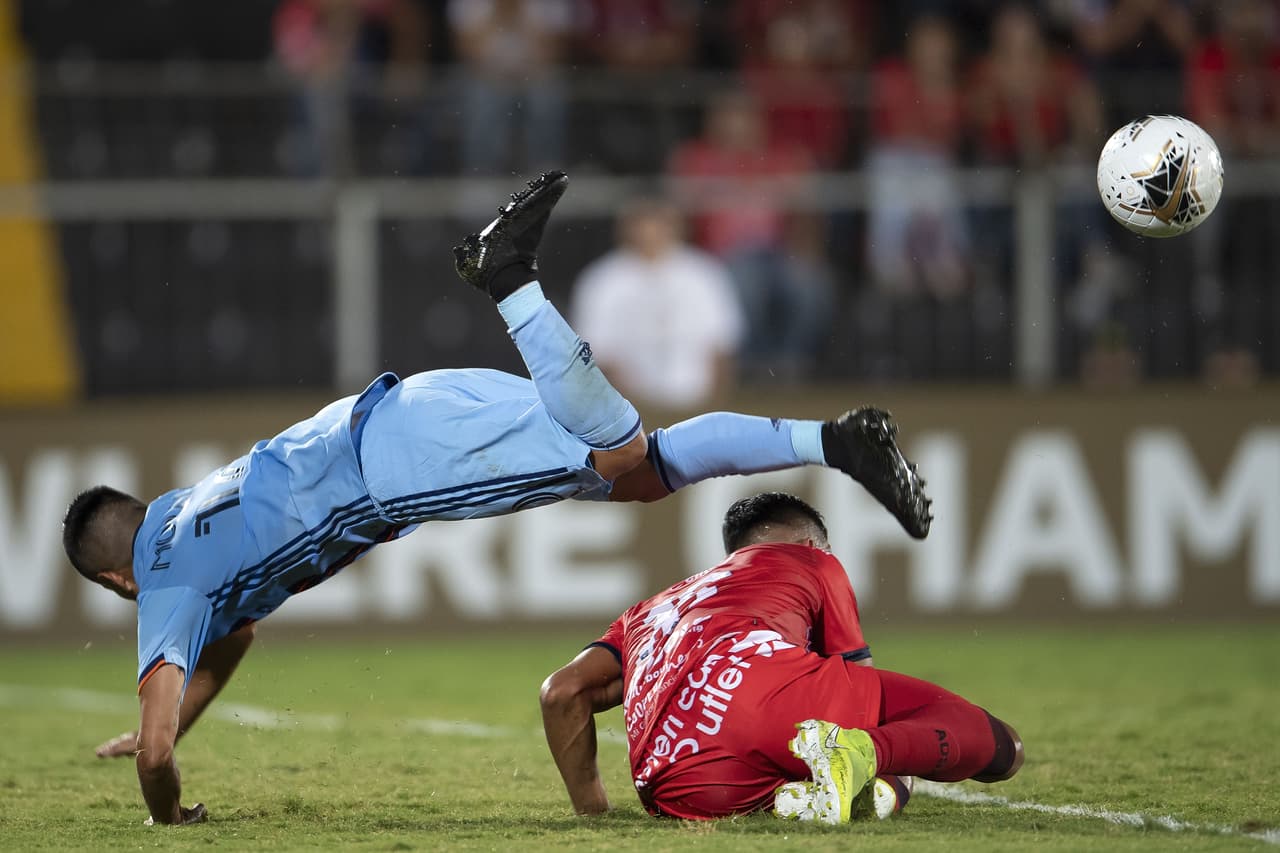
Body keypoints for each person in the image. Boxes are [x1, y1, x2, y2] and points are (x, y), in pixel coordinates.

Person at [65, 171, 933, 826]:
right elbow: (236, 628)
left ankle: (509, 275)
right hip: (398, 407)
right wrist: (184, 701)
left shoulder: (165, 584)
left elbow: (155, 752)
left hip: (397, 469)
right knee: (642, 469)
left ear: (115, 581)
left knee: (615, 445)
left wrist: (163, 802)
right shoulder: (177, 510)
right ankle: (837, 440)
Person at [540, 492, 1021, 822]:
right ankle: (869, 772)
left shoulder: (647, 610)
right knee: (999, 748)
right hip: (764, 706)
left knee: (838, 762)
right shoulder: (812, 561)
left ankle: (822, 797)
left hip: (674, 789)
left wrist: (595, 816)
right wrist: (880, 749)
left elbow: (562, 691)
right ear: (813, 544)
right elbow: (857, 688)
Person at [570, 197, 744, 409]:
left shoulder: (704, 274)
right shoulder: (602, 280)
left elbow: (722, 347)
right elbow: (597, 356)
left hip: (696, 401)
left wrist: (716, 408)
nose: (650, 234)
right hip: (629, 409)